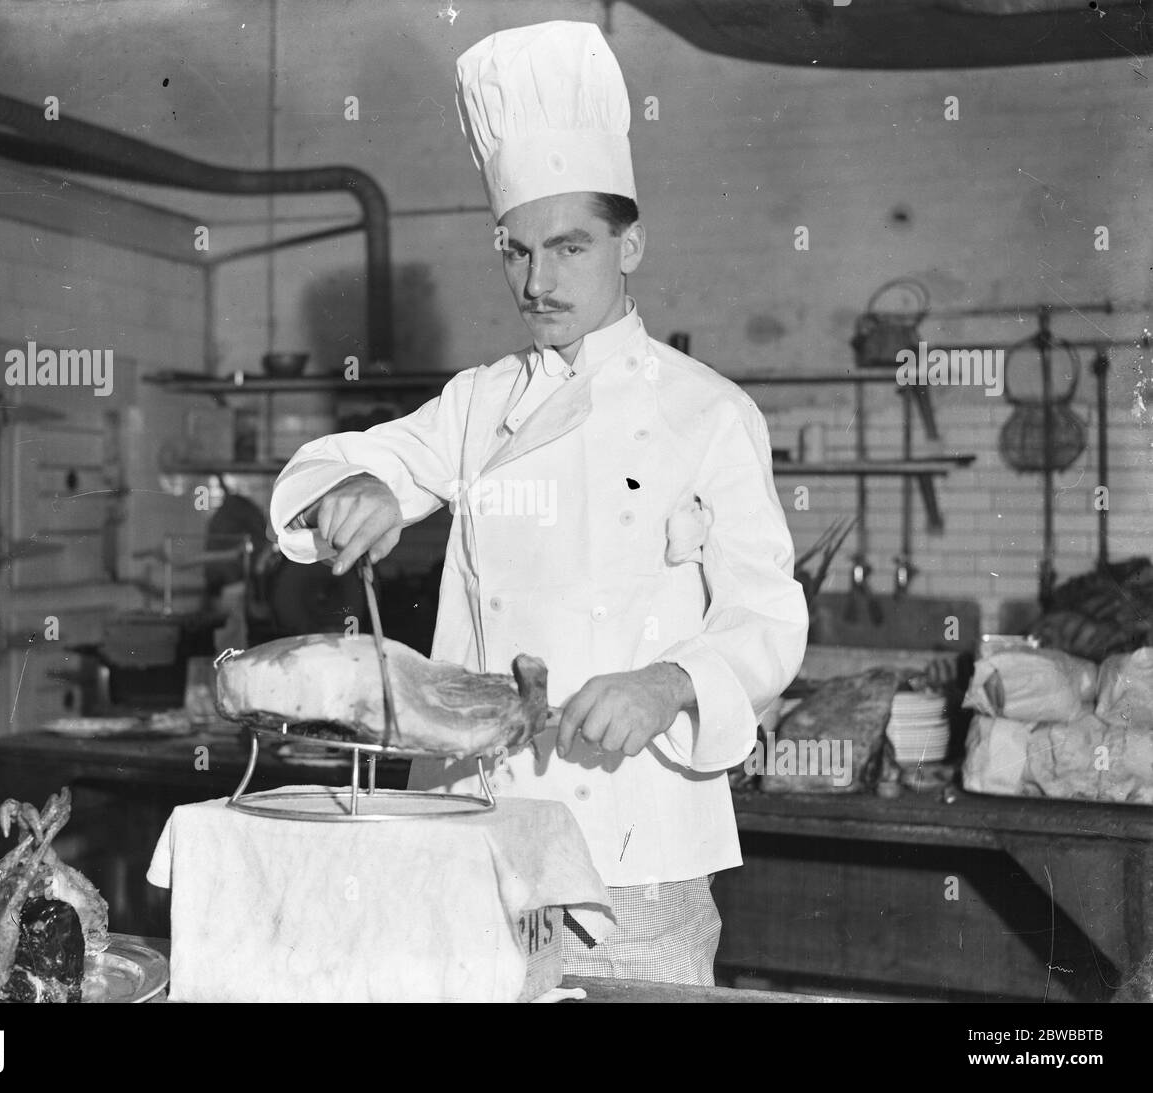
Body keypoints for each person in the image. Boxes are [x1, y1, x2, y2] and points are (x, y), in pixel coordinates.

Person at [268, 20, 808, 984]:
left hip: (641, 849)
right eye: (515, 252)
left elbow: (768, 621)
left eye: (568, 248)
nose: (538, 282)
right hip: (474, 828)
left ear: (630, 243)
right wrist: (366, 488)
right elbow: (316, 481)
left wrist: (668, 684)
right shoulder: (479, 404)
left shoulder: (710, 412)